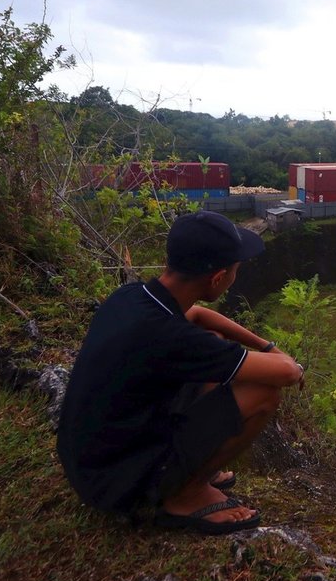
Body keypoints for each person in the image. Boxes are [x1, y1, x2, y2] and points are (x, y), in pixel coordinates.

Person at [57, 210, 304, 535]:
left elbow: (199, 315)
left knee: (215, 343)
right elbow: (285, 373)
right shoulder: (172, 338)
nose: (235, 275)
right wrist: (282, 359)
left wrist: (264, 344)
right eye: (235, 269)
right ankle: (186, 496)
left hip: (90, 460)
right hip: (114, 482)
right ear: (217, 278)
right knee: (263, 393)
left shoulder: (132, 298)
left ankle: (188, 468)